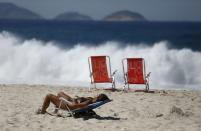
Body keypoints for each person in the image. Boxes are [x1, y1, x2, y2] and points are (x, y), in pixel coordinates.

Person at [38, 91, 110, 114]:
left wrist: (74, 100)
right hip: (71, 101)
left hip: (68, 105)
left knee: (48, 96)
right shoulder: (91, 101)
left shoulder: (89, 102)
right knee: (60, 93)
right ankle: (56, 109)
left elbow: (75, 105)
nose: (97, 95)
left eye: (98, 96)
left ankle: (43, 111)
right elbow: (86, 107)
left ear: (98, 98)